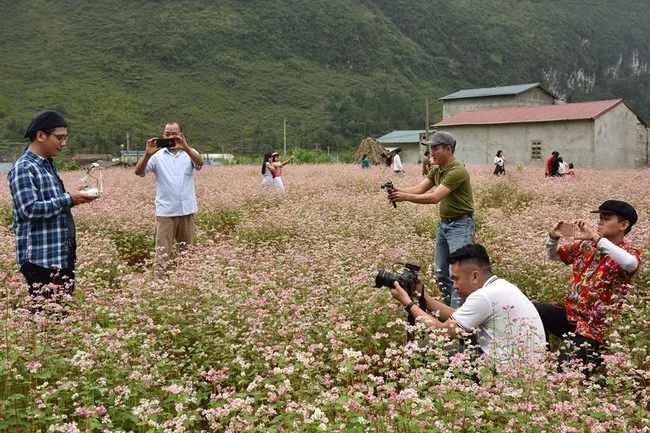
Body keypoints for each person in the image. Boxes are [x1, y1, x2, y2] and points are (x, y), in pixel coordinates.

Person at [390, 244, 546, 364]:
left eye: (457, 279)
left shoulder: (483, 296)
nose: (455, 286)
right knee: (464, 336)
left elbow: (442, 332)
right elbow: (455, 317)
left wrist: (408, 302)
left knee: (426, 348)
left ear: (475, 276)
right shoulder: (501, 286)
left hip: (508, 373)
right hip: (528, 368)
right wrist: (423, 295)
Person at [536, 200, 641, 373]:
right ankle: (539, 358)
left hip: (596, 329)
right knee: (535, 312)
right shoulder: (586, 246)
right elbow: (554, 255)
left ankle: (588, 360)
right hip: (571, 317)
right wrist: (553, 238)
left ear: (623, 225)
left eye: (606, 219)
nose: (600, 222)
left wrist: (596, 238)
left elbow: (630, 264)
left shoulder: (628, 253)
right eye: (600, 218)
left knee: (565, 368)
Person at [8, 110, 98, 299]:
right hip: (41, 261)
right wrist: (68, 198)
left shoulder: (47, 165)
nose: (63, 143)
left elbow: (51, 206)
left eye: (66, 138)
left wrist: (76, 197)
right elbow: (29, 210)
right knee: (47, 320)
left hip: (59, 256)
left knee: (61, 317)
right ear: (40, 135)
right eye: (60, 138)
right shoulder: (24, 168)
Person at [388, 131, 475, 308]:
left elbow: (435, 197)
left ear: (448, 149)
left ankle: (458, 320)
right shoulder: (438, 170)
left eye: (435, 148)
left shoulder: (457, 170)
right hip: (445, 225)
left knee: (456, 273)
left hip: (460, 225)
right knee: (441, 272)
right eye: (430, 148)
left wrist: (403, 197)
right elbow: (420, 188)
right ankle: (447, 310)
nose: (431, 153)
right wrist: (399, 191)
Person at [135, 122, 204, 273]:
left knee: (187, 254)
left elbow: (200, 163)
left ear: (181, 135)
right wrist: (147, 154)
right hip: (166, 213)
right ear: (162, 135)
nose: (170, 137)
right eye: (167, 134)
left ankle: (186, 283)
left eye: (174, 134)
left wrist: (185, 146)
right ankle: (160, 287)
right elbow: (139, 172)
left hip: (187, 211)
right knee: (162, 255)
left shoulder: (189, 152)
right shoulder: (156, 156)